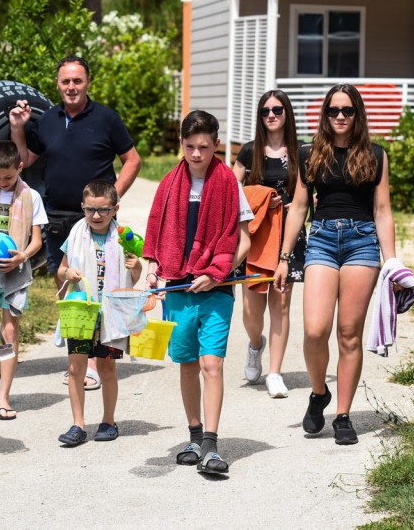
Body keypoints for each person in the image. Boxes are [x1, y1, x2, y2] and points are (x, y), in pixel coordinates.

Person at [274, 84, 397, 446]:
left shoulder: (375, 154)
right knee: (314, 330)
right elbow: (298, 207)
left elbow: (382, 211)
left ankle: (342, 414)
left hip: (362, 243)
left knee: (347, 333)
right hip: (323, 241)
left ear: (357, 114)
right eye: (333, 111)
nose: (340, 117)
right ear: (325, 115)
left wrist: (391, 262)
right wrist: (284, 258)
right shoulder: (310, 154)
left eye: (347, 110)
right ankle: (318, 393)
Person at [9, 55, 141, 390]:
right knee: (69, 288)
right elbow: (24, 160)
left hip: (97, 219)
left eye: (77, 81)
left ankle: (97, 363)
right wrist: (17, 128)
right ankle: (79, 357)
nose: (71, 87)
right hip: (58, 217)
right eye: (66, 81)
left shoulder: (107, 118)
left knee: (100, 284)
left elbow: (133, 160)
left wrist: (112, 198)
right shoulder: (47, 120)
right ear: (58, 84)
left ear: (88, 82)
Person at [142, 111, 253, 476]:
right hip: (178, 286)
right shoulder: (169, 184)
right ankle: (193, 436)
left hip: (217, 287)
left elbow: (245, 240)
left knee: (212, 363)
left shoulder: (228, 183)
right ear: (181, 144)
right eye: (189, 147)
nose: (195, 154)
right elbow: (156, 238)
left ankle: (211, 442)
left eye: (203, 147)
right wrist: (154, 267)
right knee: (187, 363)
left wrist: (217, 272)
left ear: (216, 144)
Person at [231, 90, 307, 398]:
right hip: (256, 235)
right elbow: (230, 189)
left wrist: (295, 205)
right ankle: (256, 344)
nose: (271, 115)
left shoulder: (302, 152)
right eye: (265, 111)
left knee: (281, 304)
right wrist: (259, 198)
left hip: (288, 234)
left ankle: (275, 372)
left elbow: (311, 191)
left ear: (287, 113)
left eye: (277, 109)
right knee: (252, 309)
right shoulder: (250, 152)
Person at [56, 180, 142, 445]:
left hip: (111, 313)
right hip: (81, 311)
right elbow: (61, 270)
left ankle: (108, 420)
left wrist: (136, 265)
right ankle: (77, 424)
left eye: (103, 210)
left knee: (107, 367)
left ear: (115, 208)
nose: (95, 216)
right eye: (90, 209)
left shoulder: (125, 236)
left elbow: (135, 277)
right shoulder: (76, 233)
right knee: (75, 367)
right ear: (82, 207)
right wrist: (67, 273)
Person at [0, 140, 48, 421]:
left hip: (17, 274)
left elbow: (37, 241)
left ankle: (3, 397)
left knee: (10, 333)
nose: (3, 182)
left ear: (20, 167)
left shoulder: (32, 197)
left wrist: (21, 257)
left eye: (9, 177)